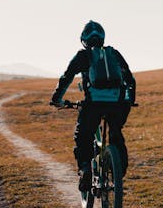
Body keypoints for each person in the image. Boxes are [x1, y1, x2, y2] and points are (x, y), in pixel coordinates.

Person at [50, 21, 136, 191]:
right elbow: (130, 80)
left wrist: (57, 99)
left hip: (93, 105)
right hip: (118, 106)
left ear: (84, 39)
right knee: (116, 134)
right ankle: (118, 169)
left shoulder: (83, 56)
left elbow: (66, 77)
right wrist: (129, 101)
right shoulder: (114, 54)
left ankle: (85, 169)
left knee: (83, 135)